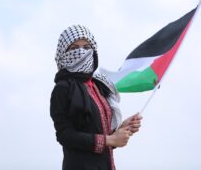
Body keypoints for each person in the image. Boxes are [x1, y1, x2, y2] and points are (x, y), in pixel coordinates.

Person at [50, 25, 142, 170]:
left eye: (87, 47)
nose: (81, 52)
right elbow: (65, 135)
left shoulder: (99, 85)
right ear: (63, 53)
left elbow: (101, 134)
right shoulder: (62, 88)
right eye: (74, 48)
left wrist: (122, 129)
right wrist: (109, 140)